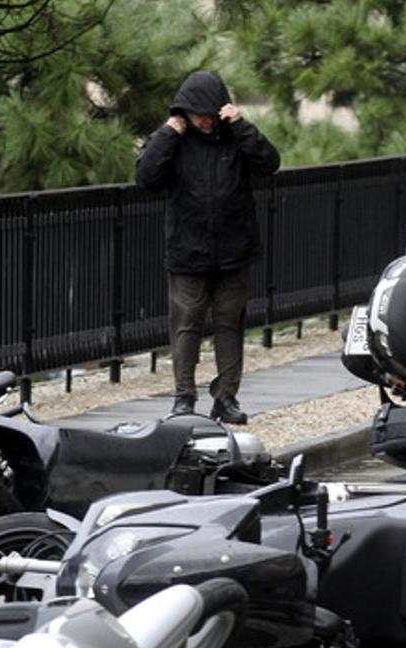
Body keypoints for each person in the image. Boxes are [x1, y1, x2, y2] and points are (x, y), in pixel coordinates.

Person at [135, 70, 281, 424]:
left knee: (230, 325)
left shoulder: (235, 136)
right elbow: (146, 177)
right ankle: (184, 396)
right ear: (184, 112)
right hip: (188, 252)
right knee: (187, 325)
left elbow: (270, 163)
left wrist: (243, 125)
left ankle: (226, 396)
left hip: (234, 249)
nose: (206, 120)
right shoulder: (175, 140)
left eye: (211, 113)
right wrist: (168, 132)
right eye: (198, 114)